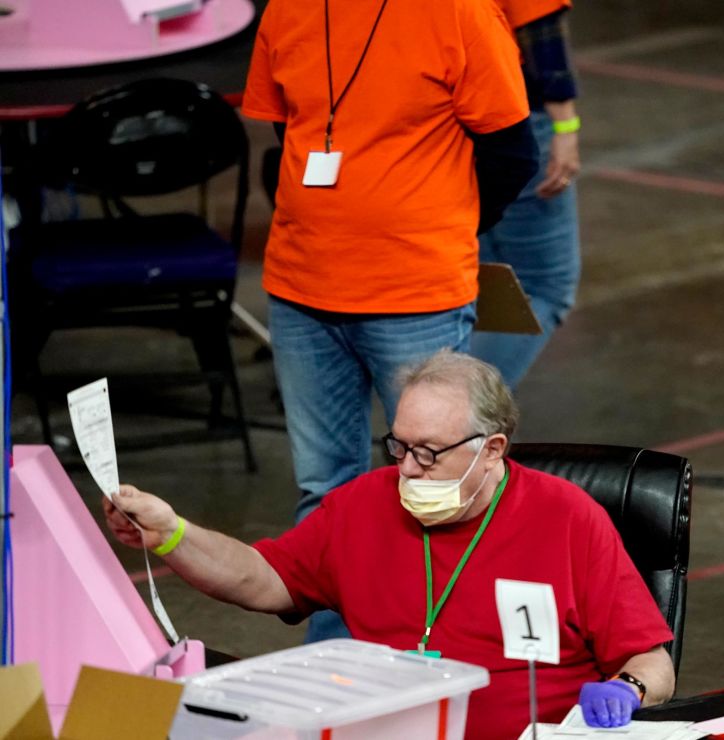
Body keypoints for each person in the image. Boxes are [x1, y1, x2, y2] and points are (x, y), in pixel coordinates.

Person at [103, 351, 676, 739]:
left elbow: (653, 661)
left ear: (493, 449)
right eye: (399, 448)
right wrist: (173, 534)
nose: (409, 471)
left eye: (429, 452)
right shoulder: (363, 504)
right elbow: (260, 577)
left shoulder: (567, 517)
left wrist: (626, 689)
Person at [241, 0, 539, 640]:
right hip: (300, 288)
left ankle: (436, 667)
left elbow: (514, 151)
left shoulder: (458, 13)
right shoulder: (288, 10)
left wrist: (440, 225)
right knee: (324, 495)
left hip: (415, 294)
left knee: (438, 491)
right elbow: (286, 131)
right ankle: (334, 678)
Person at [470, 0, 582, 390]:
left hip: (451, 122)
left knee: (482, 288)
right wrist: (565, 124)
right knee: (543, 287)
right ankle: (458, 421)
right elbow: (539, 28)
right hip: (512, 116)